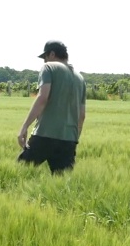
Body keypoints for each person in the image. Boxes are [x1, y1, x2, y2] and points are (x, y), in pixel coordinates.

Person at [17, 41, 86, 173]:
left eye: (45, 57)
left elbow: (42, 98)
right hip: (69, 139)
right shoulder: (80, 78)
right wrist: (73, 140)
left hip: (45, 135)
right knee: (63, 185)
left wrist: (24, 126)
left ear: (52, 54)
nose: (44, 61)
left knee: (19, 172)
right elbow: (82, 115)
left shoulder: (48, 67)